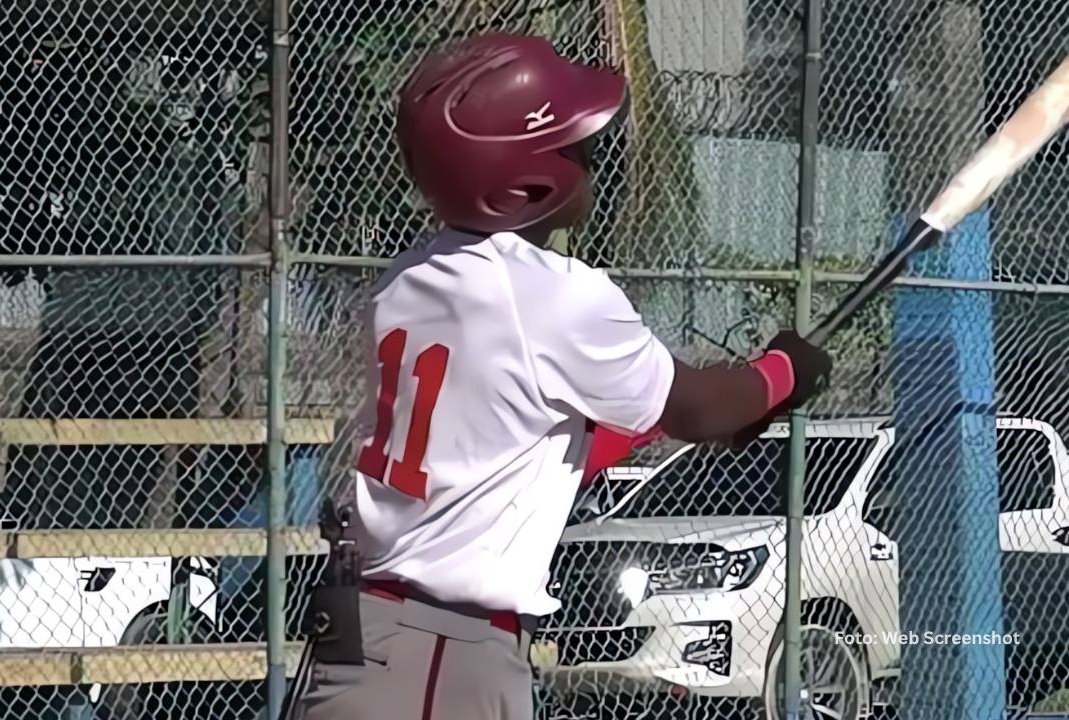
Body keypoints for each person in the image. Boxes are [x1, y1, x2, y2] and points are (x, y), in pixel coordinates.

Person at [293, 32, 832, 720]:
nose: (589, 158)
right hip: (443, 654)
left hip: (372, 627)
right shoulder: (554, 293)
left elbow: (500, 442)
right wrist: (785, 373)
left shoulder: (407, 280)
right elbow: (698, 408)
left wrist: (647, 431)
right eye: (573, 147)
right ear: (523, 183)